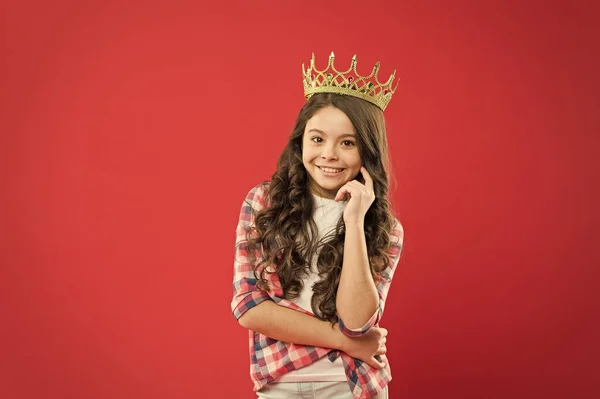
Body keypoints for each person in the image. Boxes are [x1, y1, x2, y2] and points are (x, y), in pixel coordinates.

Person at [231, 52, 404, 399]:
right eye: (317, 139)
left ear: (367, 151)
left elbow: (357, 321)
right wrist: (344, 341)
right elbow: (249, 307)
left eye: (348, 143)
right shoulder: (264, 204)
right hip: (281, 383)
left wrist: (354, 222)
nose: (329, 154)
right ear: (300, 141)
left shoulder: (387, 228)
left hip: (354, 386)